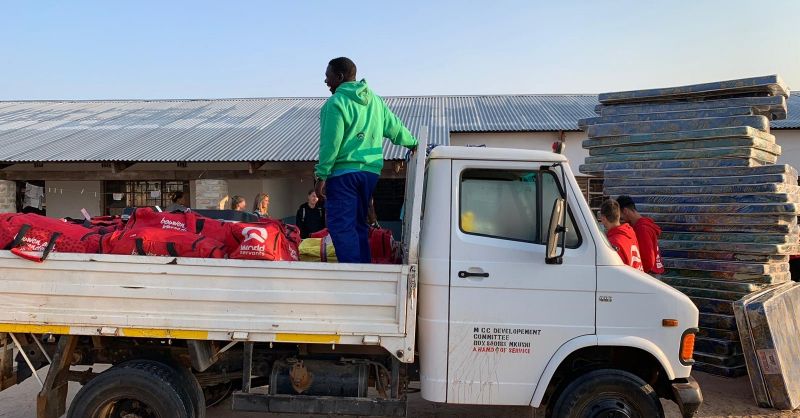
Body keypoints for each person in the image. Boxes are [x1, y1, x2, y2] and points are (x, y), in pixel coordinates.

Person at [314, 57, 418, 263]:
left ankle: (353, 278)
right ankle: (364, 271)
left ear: (340, 77)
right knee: (358, 225)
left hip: (344, 174)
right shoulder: (376, 101)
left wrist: (321, 175)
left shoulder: (335, 103)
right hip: (370, 173)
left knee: (341, 226)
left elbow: (331, 143)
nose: (325, 81)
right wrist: (414, 144)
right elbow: (395, 128)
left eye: (328, 76)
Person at [616, 195, 665, 275]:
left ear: (625, 211)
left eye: (621, 217)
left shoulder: (642, 229)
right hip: (653, 273)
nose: (621, 220)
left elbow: (648, 260)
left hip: (649, 275)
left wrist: (639, 274)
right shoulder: (642, 226)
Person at [598, 199, 643, 271]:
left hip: (626, 280)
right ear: (619, 216)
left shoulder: (613, 242)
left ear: (603, 218)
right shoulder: (630, 232)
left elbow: (614, 271)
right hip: (637, 277)